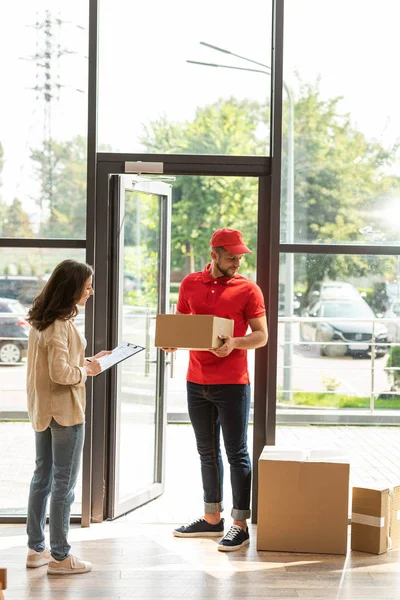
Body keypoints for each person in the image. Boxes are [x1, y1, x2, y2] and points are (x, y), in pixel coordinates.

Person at [167, 228, 267, 552]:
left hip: (233, 384)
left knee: (236, 453)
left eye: (240, 257)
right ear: (214, 255)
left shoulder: (248, 289)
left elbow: (262, 335)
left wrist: (235, 342)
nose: (237, 262)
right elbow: (181, 326)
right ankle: (212, 518)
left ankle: (240, 525)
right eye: (231, 257)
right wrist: (171, 342)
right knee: (206, 452)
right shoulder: (190, 284)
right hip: (196, 382)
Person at [25, 259, 111, 575]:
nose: (91, 292)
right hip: (65, 412)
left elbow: (54, 364)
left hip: (43, 410)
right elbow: (61, 373)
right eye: (87, 286)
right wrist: (86, 370)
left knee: (43, 478)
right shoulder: (60, 324)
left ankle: (37, 549)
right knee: (64, 483)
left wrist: (88, 360)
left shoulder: (41, 321)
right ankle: (61, 557)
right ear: (72, 288)